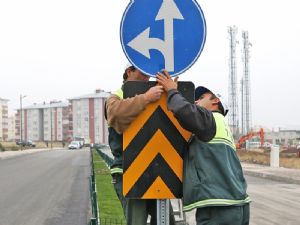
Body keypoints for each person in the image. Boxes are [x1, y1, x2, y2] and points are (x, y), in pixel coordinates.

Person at [157, 70, 250, 225]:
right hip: (238, 203)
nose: (196, 102)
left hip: (218, 207)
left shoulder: (209, 118)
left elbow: (183, 111)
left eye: (201, 98)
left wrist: (171, 90)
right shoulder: (222, 125)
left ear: (215, 101)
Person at [105, 64, 175, 225]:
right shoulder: (117, 95)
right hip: (128, 171)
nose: (147, 78)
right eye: (144, 73)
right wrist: (145, 98)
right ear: (129, 72)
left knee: (167, 220)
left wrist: (171, 93)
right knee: (136, 221)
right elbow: (116, 115)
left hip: (156, 171)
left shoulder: (153, 92)